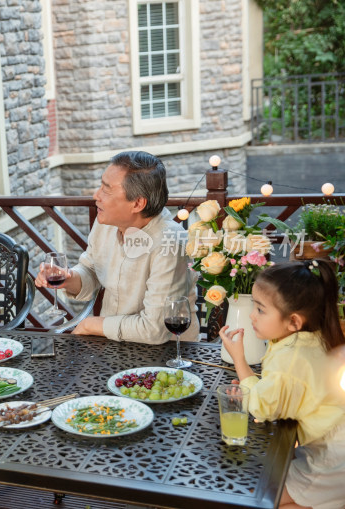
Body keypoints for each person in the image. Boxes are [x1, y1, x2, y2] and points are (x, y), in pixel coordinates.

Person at [35, 150, 199, 344]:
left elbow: (154, 330)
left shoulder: (170, 242)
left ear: (137, 203)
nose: (96, 196)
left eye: (106, 189)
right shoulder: (106, 222)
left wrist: (91, 325)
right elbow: (91, 270)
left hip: (167, 354)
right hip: (112, 345)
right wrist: (69, 277)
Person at [220, 260, 345, 509]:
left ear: (294, 321)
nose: (251, 316)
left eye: (260, 310)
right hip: (326, 446)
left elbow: (263, 408)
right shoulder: (305, 337)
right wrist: (251, 383)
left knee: (265, 499)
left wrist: (239, 360)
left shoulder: (292, 357)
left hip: (331, 460)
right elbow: (274, 391)